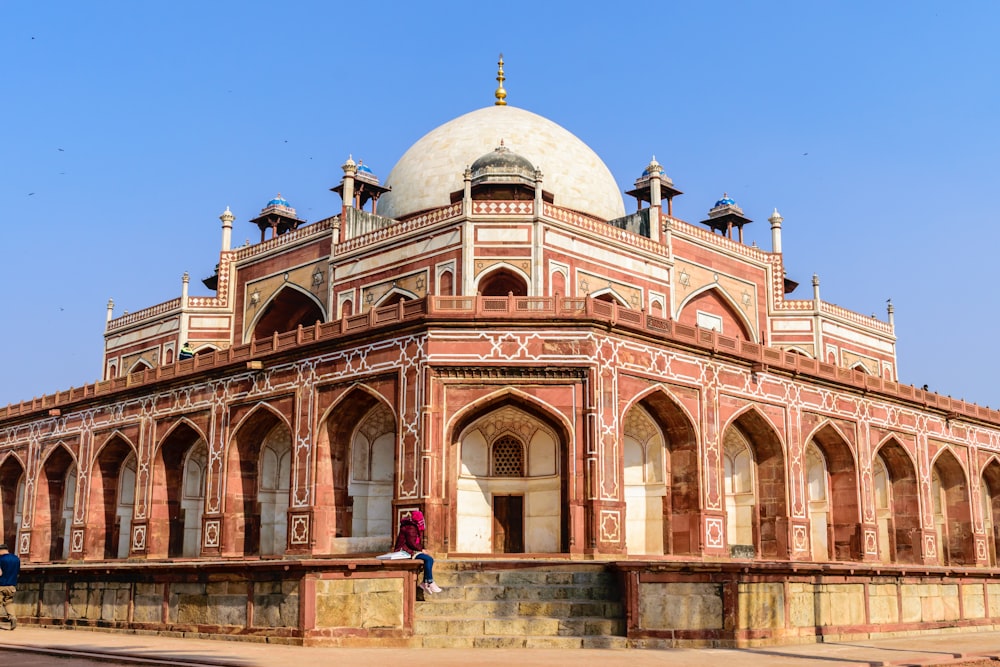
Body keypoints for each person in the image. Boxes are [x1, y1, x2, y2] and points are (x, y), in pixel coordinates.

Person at [393, 510, 442, 594]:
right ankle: (429, 581)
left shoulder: (412, 526)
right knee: (428, 559)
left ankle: (425, 582)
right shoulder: (411, 527)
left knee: (429, 559)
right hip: (405, 551)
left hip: (410, 550)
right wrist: (422, 549)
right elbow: (411, 542)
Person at [0, 544, 20, 630]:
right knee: (8, 602)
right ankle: (13, 617)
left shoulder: (0, 559)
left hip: (1, 585)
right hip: (11, 586)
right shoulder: (16, 559)